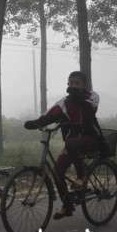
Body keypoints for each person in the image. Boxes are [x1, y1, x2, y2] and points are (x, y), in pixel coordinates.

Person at [24, 71, 101, 220]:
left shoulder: (92, 96)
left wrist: (76, 97)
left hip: (91, 139)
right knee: (57, 172)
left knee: (71, 143)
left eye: (77, 83)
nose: (73, 86)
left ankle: (82, 176)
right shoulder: (64, 102)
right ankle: (67, 206)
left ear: (84, 85)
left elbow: (89, 109)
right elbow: (50, 115)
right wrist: (36, 123)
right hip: (73, 144)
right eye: (70, 83)